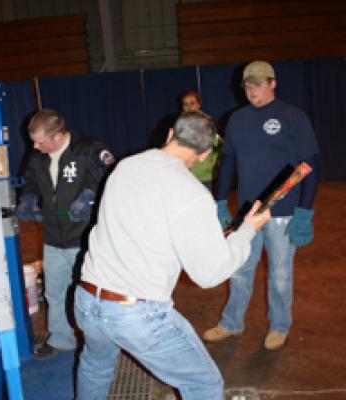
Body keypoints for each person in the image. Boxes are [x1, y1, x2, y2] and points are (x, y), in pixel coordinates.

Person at [74, 111, 270, 399]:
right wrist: (247, 231)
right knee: (203, 385)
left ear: (170, 135)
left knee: (95, 366)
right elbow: (210, 273)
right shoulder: (191, 192)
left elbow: (143, 222)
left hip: (87, 300)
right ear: (205, 155)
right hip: (135, 314)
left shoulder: (126, 166)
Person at [202, 60, 319, 350]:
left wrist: (304, 211)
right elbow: (227, 161)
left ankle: (280, 325)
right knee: (240, 270)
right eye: (247, 85)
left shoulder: (293, 117)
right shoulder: (237, 119)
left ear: (272, 83)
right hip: (248, 214)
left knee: (280, 275)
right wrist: (220, 201)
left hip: (282, 212)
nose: (252, 90)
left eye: (258, 84)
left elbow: (310, 164)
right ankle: (231, 323)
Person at [16, 108, 114, 359]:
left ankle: (101, 343)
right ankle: (61, 339)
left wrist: (90, 197)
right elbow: (30, 181)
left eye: (40, 141)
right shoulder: (38, 157)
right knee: (54, 292)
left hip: (84, 239)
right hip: (52, 238)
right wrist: (27, 197)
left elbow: (111, 179)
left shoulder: (89, 149)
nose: (35, 147)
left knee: (93, 295)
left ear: (58, 136)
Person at [182, 91, 223, 192]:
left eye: (192, 103)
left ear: (198, 105)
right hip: (185, 175)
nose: (189, 107)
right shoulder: (179, 125)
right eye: (185, 104)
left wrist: (211, 166)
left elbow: (219, 145)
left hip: (204, 177)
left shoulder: (208, 123)